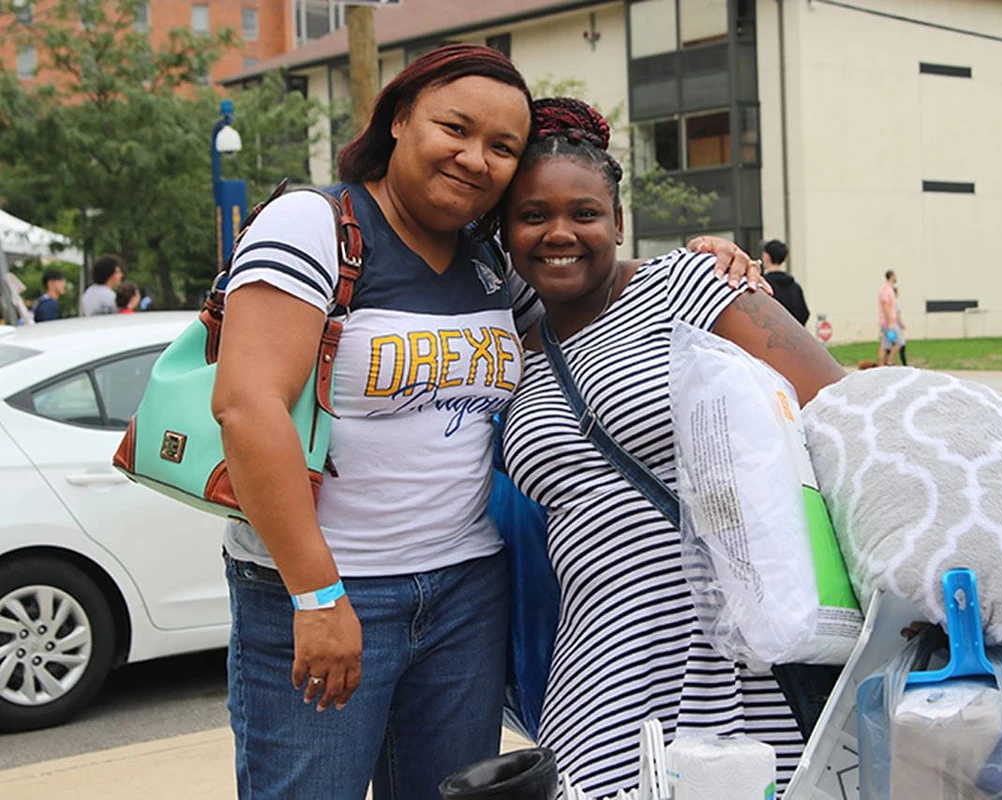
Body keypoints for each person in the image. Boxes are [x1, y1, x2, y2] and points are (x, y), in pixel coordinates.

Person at [210, 45, 762, 800]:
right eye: (455, 129)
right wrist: (316, 595)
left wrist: (696, 263)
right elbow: (247, 408)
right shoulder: (314, 224)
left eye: (502, 147)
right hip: (329, 588)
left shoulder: (489, 263)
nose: (476, 159)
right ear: (400, 118)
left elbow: (585, 310)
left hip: (465, 593)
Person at [500, 99, 847, 797]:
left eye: (585, 213)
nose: (559, 232)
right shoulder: (507, 349)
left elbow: (837, 410)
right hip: (599, 664)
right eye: (533, 215)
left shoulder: (685, 286)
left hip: (742, 651)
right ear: (505, 230)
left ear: (619, 222)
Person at [761, 238, 809, 326]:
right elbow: (804, 314)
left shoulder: (763, 286)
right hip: (792, 335)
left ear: (766, 256)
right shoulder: (794, 286)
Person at [877, 269, 899, 365]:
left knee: (885, 344)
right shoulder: (886, 290)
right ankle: (889, 361)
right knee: (898, 342)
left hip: (888, 322)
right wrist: (890, 322)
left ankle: (882, 364)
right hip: (888, 322)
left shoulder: (890, 288)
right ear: (891, 276)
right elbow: (885, 305)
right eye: (895, 275)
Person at [893, 285, 908, 366]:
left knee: (893, 344)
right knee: (900, 343)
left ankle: (890, 362)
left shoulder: (891, 303)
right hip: (895, 327)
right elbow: (897, 315)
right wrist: (901, 324)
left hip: (891, 327)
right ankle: (903, 364)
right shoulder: (893, 303)